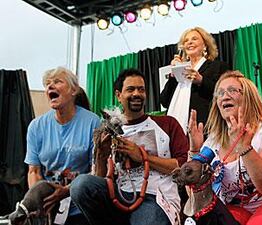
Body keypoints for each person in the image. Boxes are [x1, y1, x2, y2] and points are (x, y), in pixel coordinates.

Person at [70, 68, 189, 225]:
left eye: (141, 89)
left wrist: (143, 157)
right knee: (80, 185)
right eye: (130, 89)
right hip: (118, 195)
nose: (136, 94)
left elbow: (184, 167)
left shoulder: (167, 124)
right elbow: (100, 178)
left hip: (155, 198)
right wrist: (101, 155)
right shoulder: (107, 131)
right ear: (118, 95)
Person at [188, 71, 262, 225]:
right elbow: (195, 197)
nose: (225, 96)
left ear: (248, 97)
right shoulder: (213, 141)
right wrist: (194, 151)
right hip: (238, 210)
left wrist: (244, 147)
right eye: (220, 93)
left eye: (232, 90)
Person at [24, 67, 100, 225]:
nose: (50, 86)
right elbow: (34, 171)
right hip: (49, 209)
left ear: (74, 90)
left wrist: (66, 192)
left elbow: (97, 170)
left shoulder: (93, 122)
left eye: (57, 81)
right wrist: (39, 201)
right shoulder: (36, 127)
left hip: (81, 206)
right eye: (47, 84)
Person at [160, 27, 230, 131]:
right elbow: (164, 101)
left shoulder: (217, 66)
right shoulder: (179, 70)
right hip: (175, 132)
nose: (189, 42)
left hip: (203, 127)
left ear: (205, 45)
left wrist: (201, 80)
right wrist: (173, 75)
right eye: (186, 41)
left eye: (194, 39)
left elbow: (222, 94)